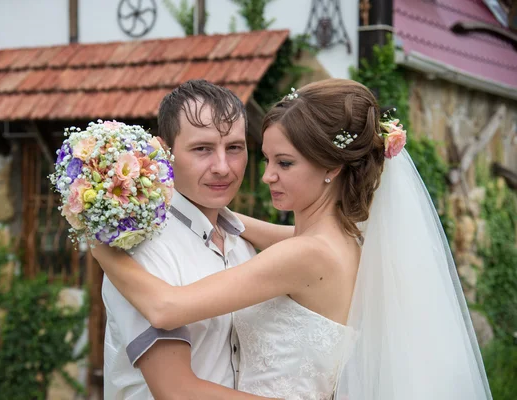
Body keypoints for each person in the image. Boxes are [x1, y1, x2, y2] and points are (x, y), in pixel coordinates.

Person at [93, 79, 492, 399]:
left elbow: (165, 308)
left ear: (332, 167)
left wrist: (99, 242)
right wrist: (211, 216)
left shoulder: (305, 255)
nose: (265, 176)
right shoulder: (350, 239)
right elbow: (264, 231)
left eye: (284, 163)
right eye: (267, 159)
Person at [100, 79, 277, 400]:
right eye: (202, 149)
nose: (223, 167)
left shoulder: (243, 243)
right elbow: (176, 392)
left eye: (234, 148)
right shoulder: (142, 249)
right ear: (163, 152)